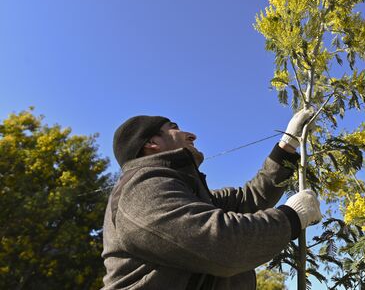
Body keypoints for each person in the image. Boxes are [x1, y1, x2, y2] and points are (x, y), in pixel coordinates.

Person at [101, 110, 322, 289]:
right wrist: (290, 217)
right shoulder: (140, 190)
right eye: (174, 128)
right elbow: (222, 244)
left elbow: (247, 199)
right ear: (151, 142)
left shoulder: (186, 193)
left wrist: (287, 145)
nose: (192, 135)